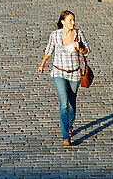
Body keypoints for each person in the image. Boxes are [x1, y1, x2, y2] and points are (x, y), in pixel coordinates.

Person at [38, 11, 90, 146]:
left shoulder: (78, 34)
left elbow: (87, 51)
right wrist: (42, 64)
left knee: (72, 102)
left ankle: (70, 124)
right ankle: (65, 136)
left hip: (74, 73)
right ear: (63, 21)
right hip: (58, 72)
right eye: (70, 20)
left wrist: (81, 48)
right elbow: (49, 50)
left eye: (74, 20)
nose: (73, 23)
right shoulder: (55, 35)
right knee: (64, 102)